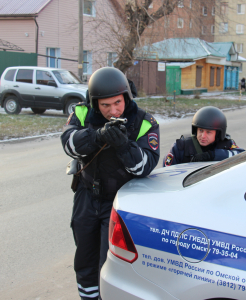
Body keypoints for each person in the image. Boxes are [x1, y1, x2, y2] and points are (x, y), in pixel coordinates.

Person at [61, 67, 160, 300]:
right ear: (95, 103)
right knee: (85, 260)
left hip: (119, 203)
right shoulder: (83, 113)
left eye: (117, 103)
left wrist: (124, 146)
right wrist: (96, 136)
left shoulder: (145, 122)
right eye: (105, 106)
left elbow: (145, 166)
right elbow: (68, 145)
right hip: (86, 197)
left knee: (112, 265)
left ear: (126, 96)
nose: (113, 111)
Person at [163, 106, 244, 167]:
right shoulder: (181, 147)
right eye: (201, 130)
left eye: (209, 132)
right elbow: (166, 171)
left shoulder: (226, 145)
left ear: (218, 133)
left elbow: (244, 157)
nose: (203, 136)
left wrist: (213, 155)